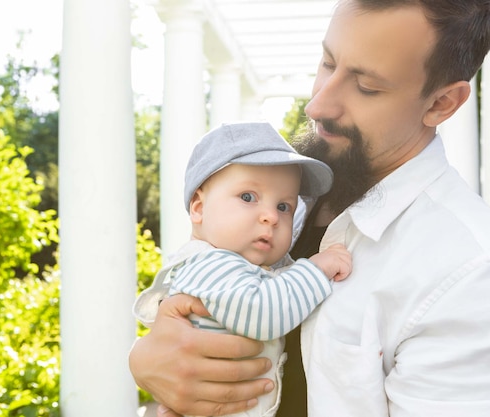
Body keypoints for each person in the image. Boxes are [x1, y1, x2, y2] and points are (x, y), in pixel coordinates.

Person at [129, 0, 490, 416]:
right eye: (328, 63)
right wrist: (148, 360)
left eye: (367, 86)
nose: (318, 105)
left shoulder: (487, 275)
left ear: (441, 103)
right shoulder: (288, 202)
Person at [133, 121, 353, 417]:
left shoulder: (243, 265)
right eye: (248, 197)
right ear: (198, 207)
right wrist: (315, 270)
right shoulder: (211, 264)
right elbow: (261, 312)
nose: (271, 217)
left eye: (284, 207)